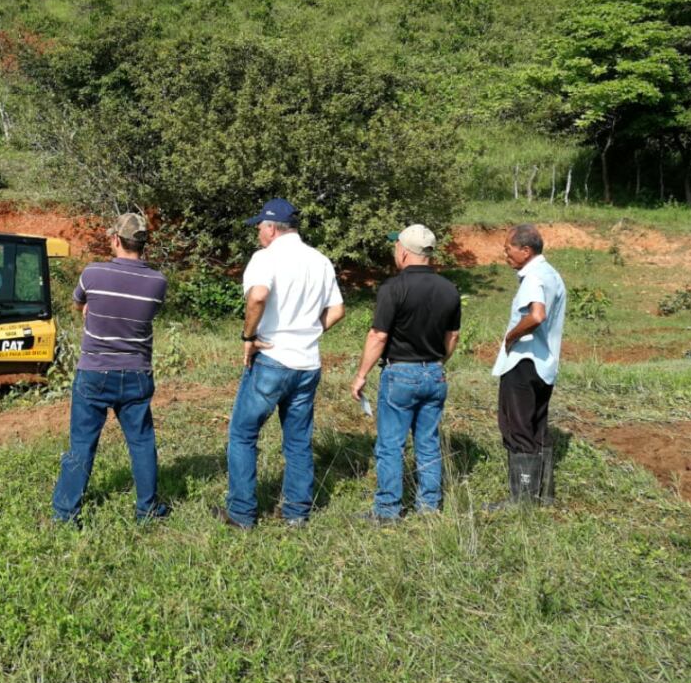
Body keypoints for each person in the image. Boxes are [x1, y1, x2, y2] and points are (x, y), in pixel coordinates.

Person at [212, 198, 345, 529]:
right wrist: (310, 331)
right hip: (307, 362)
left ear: (272, 228)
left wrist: (248, 337)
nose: (258, 233)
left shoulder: (265, 258)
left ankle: (241, 513)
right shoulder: (320, 261)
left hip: (272, 358)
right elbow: (338, 310)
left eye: (259, 227)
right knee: (298, 439)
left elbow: (258, 296)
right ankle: (296, 514)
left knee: (243, 433)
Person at [51, 212, 169, 524]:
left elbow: (80, 304)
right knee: (142, 443)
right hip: (136, 373)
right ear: (144, 243)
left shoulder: (92, 274)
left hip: (94, 371)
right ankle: (147, 509)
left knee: (82, 445)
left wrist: (91, 310)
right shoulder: (158, 282)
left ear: (115, 240)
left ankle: (65, 513)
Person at [350, 225, 461, 522]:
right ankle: (428, 507)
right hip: (434, 372)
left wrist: (361, 374)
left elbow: (378, 336)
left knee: (390, 445)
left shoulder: (393, 288)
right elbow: (453, 337)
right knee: (427, 442)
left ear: (402, 250)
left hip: (399, 373)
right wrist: (437, 364)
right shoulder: (449, 289)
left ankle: (387, 510)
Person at [488, 223, 566, 508]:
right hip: (545, 363)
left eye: (508, 249)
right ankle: (544, 495)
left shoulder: (533, 277)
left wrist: (511, 336)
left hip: (524, 361)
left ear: (526, 250)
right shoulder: (552, 274)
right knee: (537, 427)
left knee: (517, 427)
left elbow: (537, 315)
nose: (505, 254)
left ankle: (521, 501)